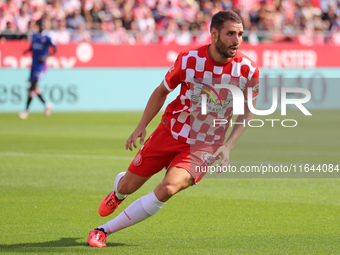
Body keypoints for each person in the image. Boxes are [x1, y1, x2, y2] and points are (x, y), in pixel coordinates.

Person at [87, 10, 260, 247]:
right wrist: (141, 126)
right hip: (170, 132)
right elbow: (162, 91)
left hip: (205, 144)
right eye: (231, 34)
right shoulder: (190, 60)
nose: (237, 40)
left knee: (168, 187)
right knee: (129, 185)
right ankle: (118, 192)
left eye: (240, 34)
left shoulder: (247, 70)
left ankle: (101, 231)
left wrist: (229, 145)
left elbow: (249, 109)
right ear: (214, 34)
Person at [19, 19, 57, 120]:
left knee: (32, 86)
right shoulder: (35, 36)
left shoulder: (47, 38)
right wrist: (27, 51)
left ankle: (26, 111)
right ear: (38, 25)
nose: (43, 26)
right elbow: (32, 47)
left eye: (45, 24)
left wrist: (47, 57)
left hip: (41, 66)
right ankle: (46, 104)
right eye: (41, 24)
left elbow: (55, 49)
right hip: (33, 64)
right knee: (33, 87)